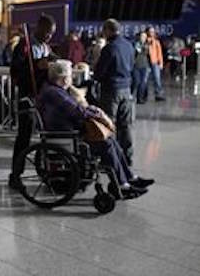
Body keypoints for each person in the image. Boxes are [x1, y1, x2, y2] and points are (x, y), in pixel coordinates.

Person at [38, 60, 152, 198]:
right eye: (70, 76)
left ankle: (128, 177)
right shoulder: (54, 93)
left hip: (70, 131)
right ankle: (123, 184)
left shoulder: (54, 90)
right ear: (63, 78)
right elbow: (78, 111)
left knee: (111, 140)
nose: (72, 79)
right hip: (67, 135)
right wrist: (96, 112)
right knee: (107, 144)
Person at [8, 14, 56, 190]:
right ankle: (15, 175)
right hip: (27, 97)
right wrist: (37, 65)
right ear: (40, 28)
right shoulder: (24, 46)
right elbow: (15, 72)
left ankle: (49, 169)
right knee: (24, 137)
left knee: (46, 135)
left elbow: (53, 60)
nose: (49, 36)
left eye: (52, 34)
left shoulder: (45, 47)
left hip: (44, 98)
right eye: (48, 32)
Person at [94, 19, 135, 165]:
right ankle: (127, 157)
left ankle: (109, 158)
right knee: (126, 125)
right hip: (126, 90)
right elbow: (132, 66)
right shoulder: (129, 45)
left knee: (108, 124)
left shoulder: (109, 48)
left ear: (108, 30)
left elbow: (99, 72)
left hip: (111, 91)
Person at [145, 27, 165, 101]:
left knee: (157, 79)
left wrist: (161, 63)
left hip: (154, 62)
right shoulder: (145, 41)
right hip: (146, 63)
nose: (151, 33)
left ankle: (158, 94)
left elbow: (159, 53)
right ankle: (144, 95)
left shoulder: (156, 42)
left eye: (153, 32)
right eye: (150, 31)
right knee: (145, 80)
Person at [133, 32, 150, 104]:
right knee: (137, 81)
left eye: (144, 37)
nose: (143, 38)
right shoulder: (134, 44)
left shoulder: (147, 45)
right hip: (136, 66)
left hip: (145, 66)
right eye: (142, 36)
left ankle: (141, 98)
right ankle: (136, 96)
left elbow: (148, 54)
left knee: (143, 82)